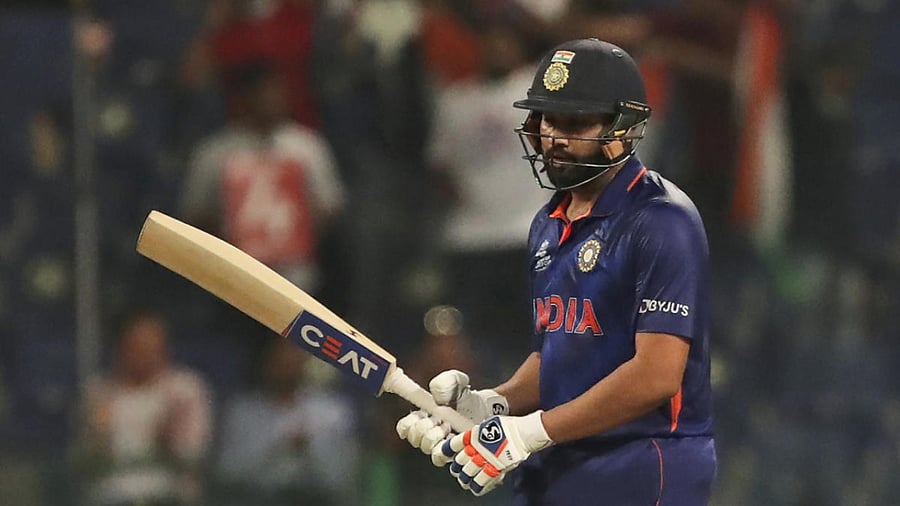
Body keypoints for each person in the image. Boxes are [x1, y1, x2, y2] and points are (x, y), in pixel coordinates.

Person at [396, 38, 716, 504]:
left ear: (623, 129)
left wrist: (530, 431)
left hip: (642, 462)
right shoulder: (548, 223)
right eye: (547, 119)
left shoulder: (662, 221)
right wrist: (493, 404)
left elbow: (656, 375)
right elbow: (559, 353)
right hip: (559, 458)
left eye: (575, 122)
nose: (555, 137)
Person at [77, 311, 213, 506]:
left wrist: (169, 436)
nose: (146, 356)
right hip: (111, 496)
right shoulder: (100, 392)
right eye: (138, 348)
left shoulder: (185, 389)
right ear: (122, 349)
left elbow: (192, 455)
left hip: (168, 496)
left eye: (152, 348)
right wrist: (99, 434)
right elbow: (87, 460)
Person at [212, 337, 360, 506]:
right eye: (280, 354)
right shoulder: (243, 411)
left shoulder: (333, 412)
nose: (287, 361)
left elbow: (342, 479)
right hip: (257, 499)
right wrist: (279, 447)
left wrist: (309, 447)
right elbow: (227, 472)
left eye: (293, 353)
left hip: (316, 499)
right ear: (266, 359)